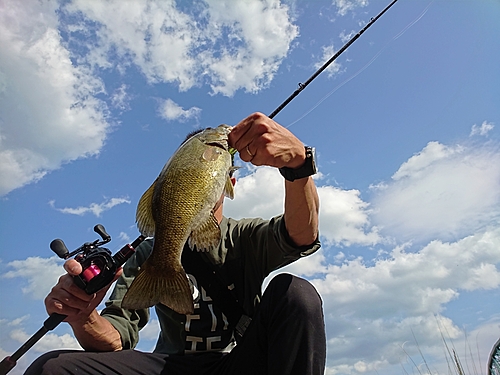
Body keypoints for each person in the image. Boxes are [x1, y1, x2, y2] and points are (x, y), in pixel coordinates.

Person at [25, 112, 325, 375]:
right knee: (52, 367)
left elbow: (301, 235)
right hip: (171, 366)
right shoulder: (147, 253)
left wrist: (298, 166)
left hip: (239, 362)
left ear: (230, 181)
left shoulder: (243, 236)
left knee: (297, 293)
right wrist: (83, 317)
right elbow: (117, 337)